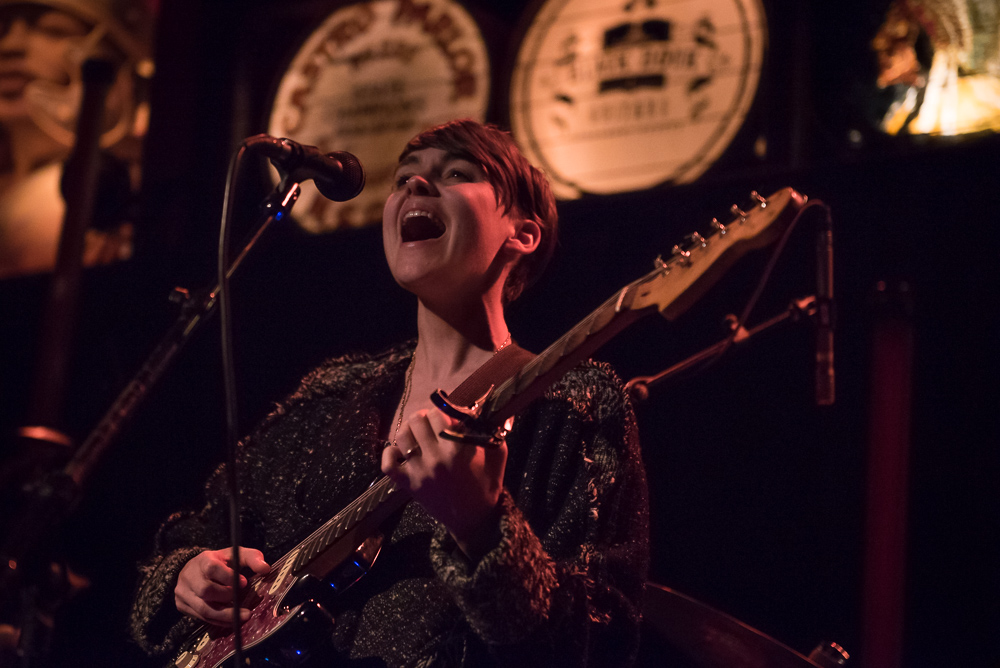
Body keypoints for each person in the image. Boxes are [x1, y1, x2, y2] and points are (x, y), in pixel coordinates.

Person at [129, 119, 649, 667]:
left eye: (456, 173)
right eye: (404, 178)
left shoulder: (571, 402)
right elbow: (185, 539)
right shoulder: (328, 396)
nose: (415, 187)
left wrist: (483, 526)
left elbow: (601, 641)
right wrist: (186, 576)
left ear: (523, 233)